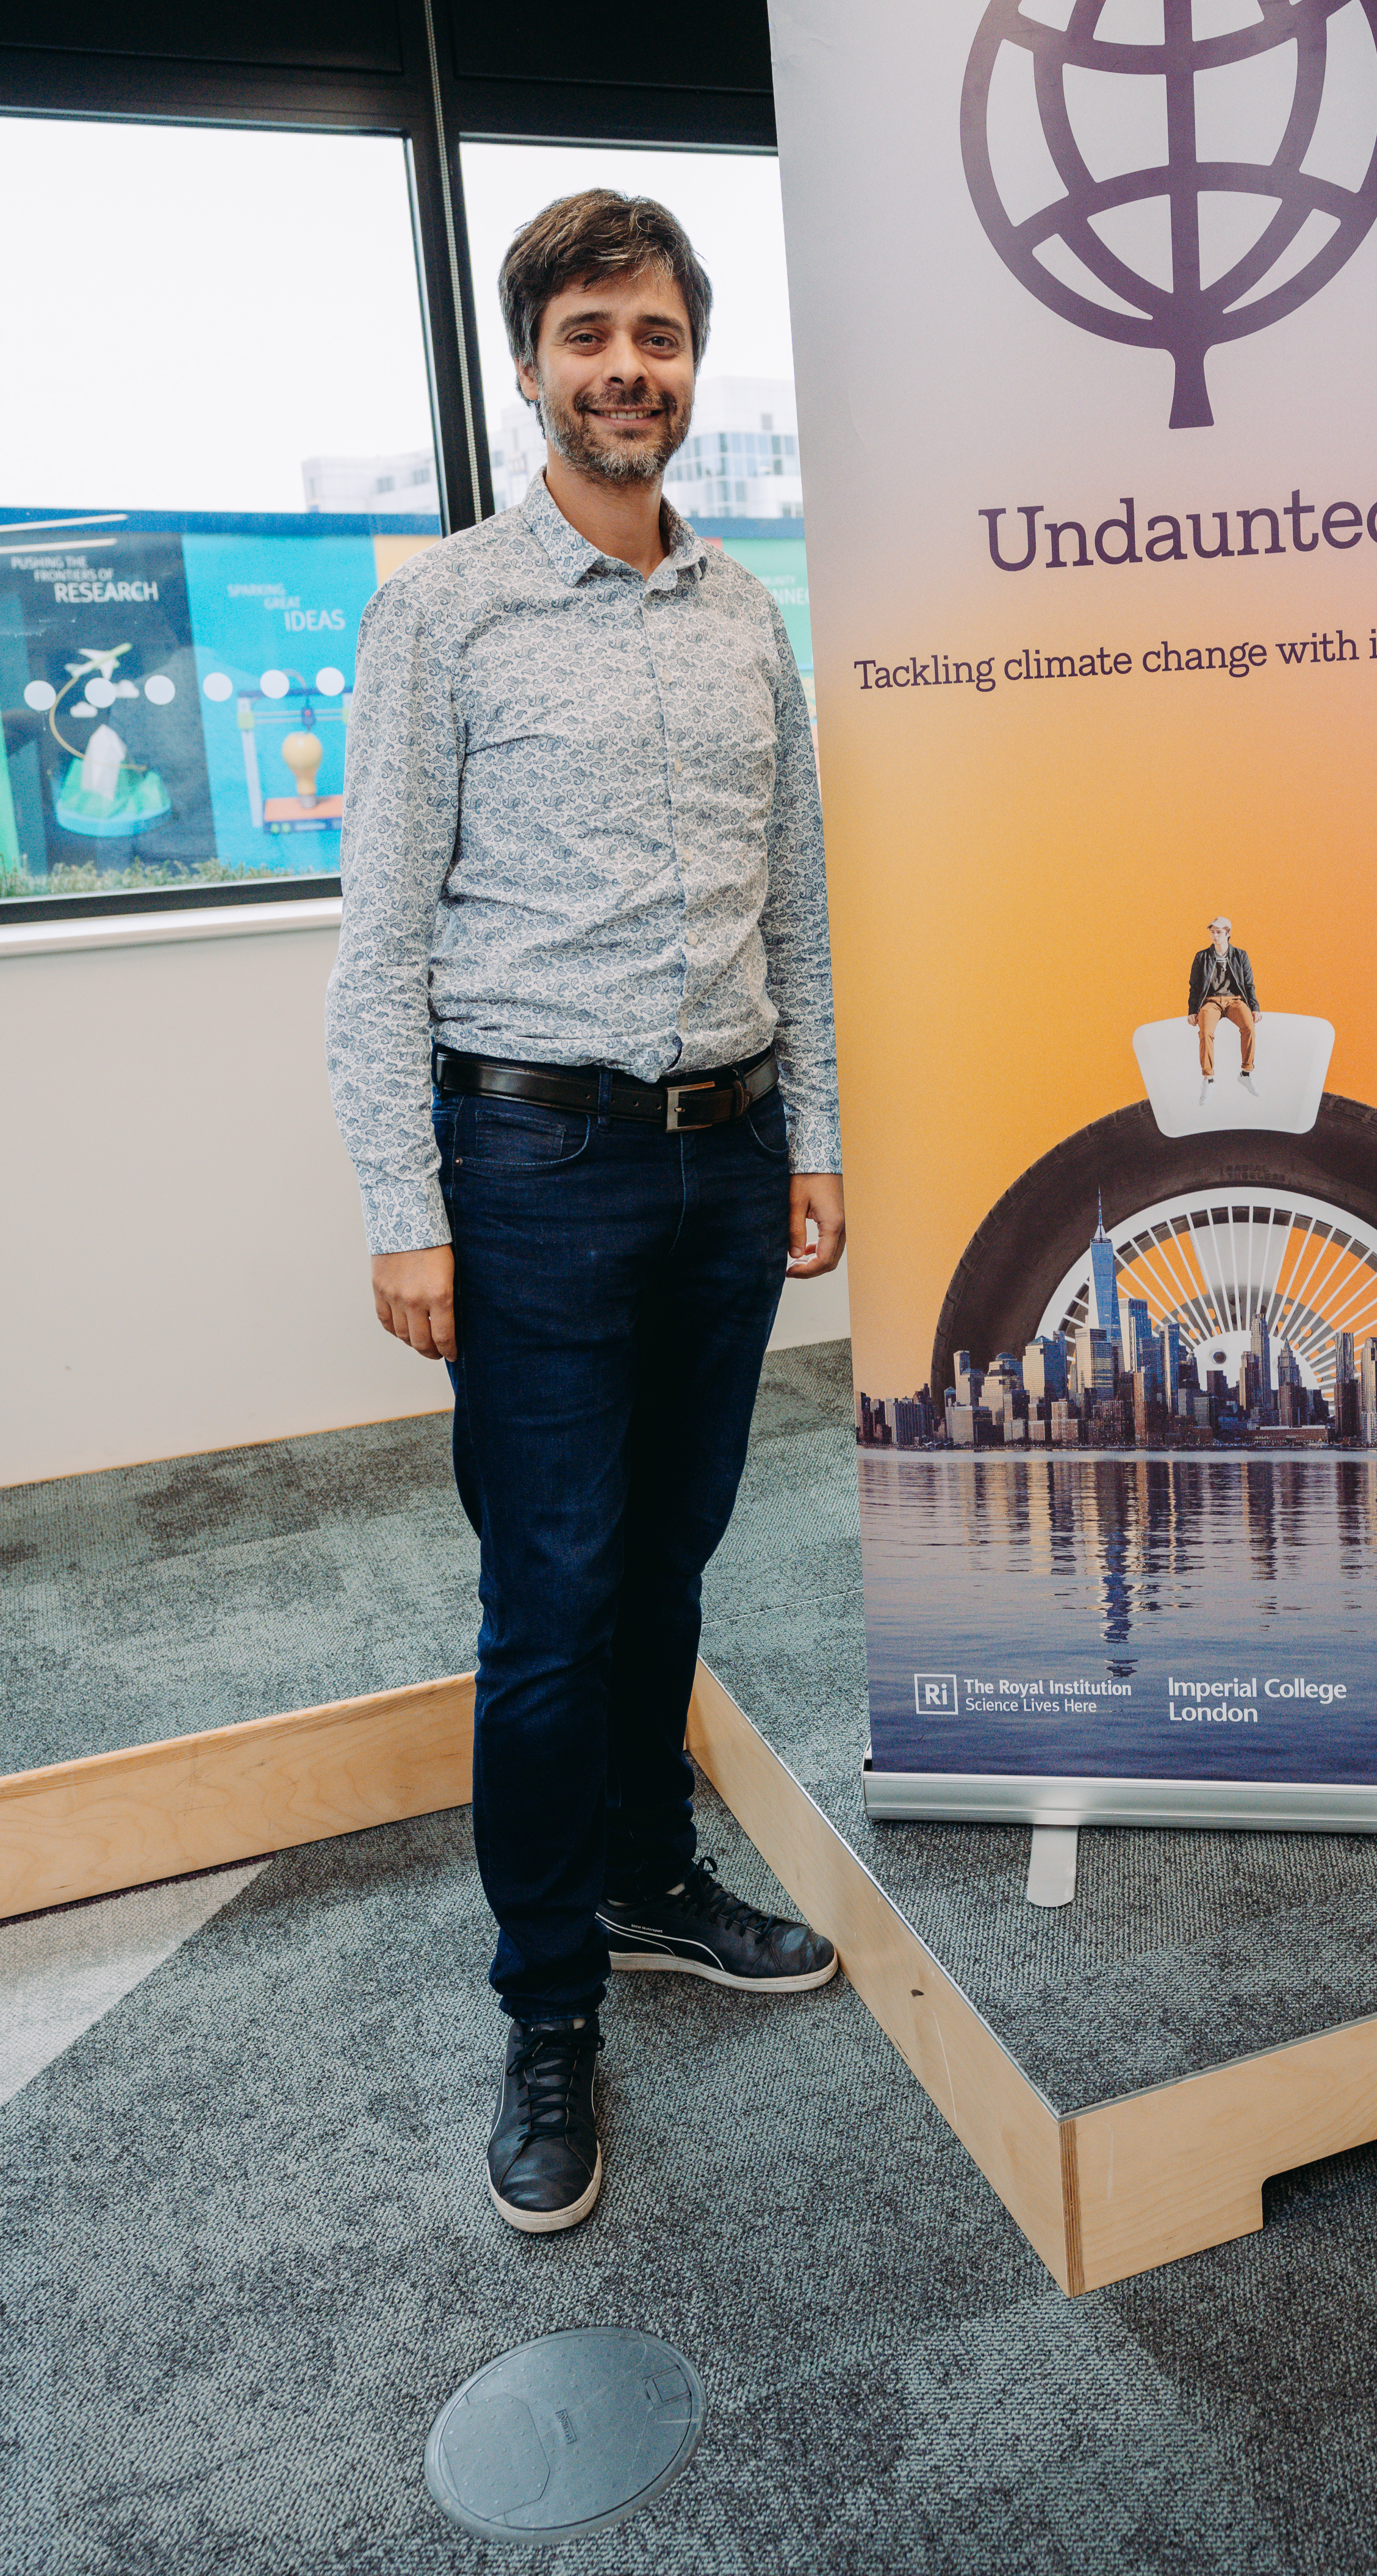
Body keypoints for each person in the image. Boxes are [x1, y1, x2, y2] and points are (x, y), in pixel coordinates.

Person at [326, 189, 844, 2239]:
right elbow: (379, 941)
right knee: (548, 1600)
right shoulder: (441, 611)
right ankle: (547, 2009)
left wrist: (811, 1142)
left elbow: (797, 900)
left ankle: (643, 1882)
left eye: (659, 335)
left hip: (725, 1164)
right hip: (527, 1173)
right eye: (589, 335)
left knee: (671, 1567)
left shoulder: (746, 617)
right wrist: (404, 1211)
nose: (629, 368)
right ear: (529, 366)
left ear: (690, 366)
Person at [1187, 916, 1259, 1093]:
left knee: (1249, 1028)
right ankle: (1209, 1079)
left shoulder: (1240, 955)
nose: (1215, 936)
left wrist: (1255, 1007)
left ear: (1228, 934)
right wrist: (1192, 1010)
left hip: (1235, 1000)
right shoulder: (1202, 957)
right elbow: (1194, 986)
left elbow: (1249, 984)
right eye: (1212, 932)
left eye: (1219, 932)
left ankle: (1246, 1074)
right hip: (1211, 1002)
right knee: (1205, 1033)